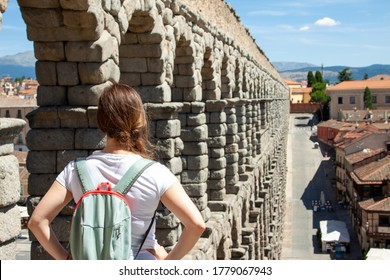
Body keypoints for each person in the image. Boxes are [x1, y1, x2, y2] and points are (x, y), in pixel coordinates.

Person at [28, 83, 206, 260]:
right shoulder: (155, 172)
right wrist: (167, 263)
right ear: (141, 120)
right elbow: (196, 225)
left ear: (101, 121)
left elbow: (37, 222)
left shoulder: (75, 169)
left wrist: (67, 261)